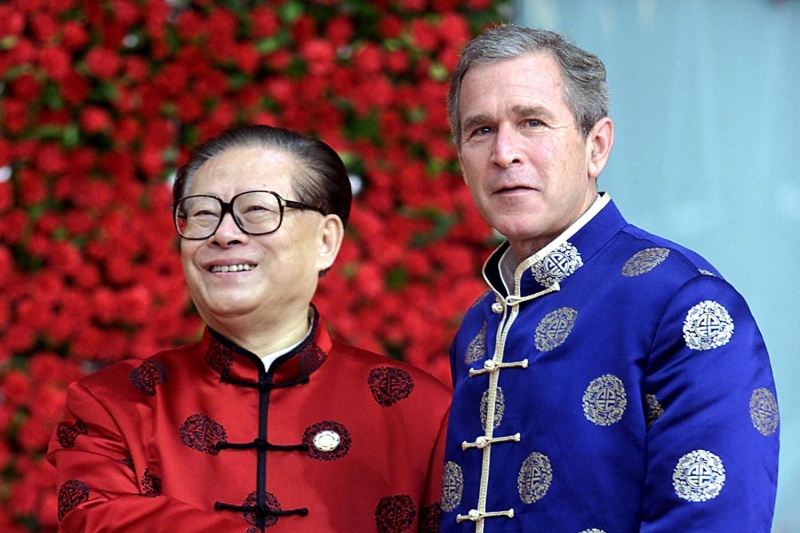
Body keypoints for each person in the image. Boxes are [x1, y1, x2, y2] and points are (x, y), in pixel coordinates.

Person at [439, 24, 779, 532]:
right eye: (480, 130)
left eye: (532, 122)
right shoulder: (481, 323)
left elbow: (713, 515)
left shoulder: (683, 302)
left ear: (596, 146)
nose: (503, 153)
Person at [47, 125, 451, 532]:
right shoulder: (114, 403)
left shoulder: (420, 411)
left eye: (257, 211)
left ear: (326, 241)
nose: (223, 234)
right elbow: (96, 520)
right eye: (203, 213)